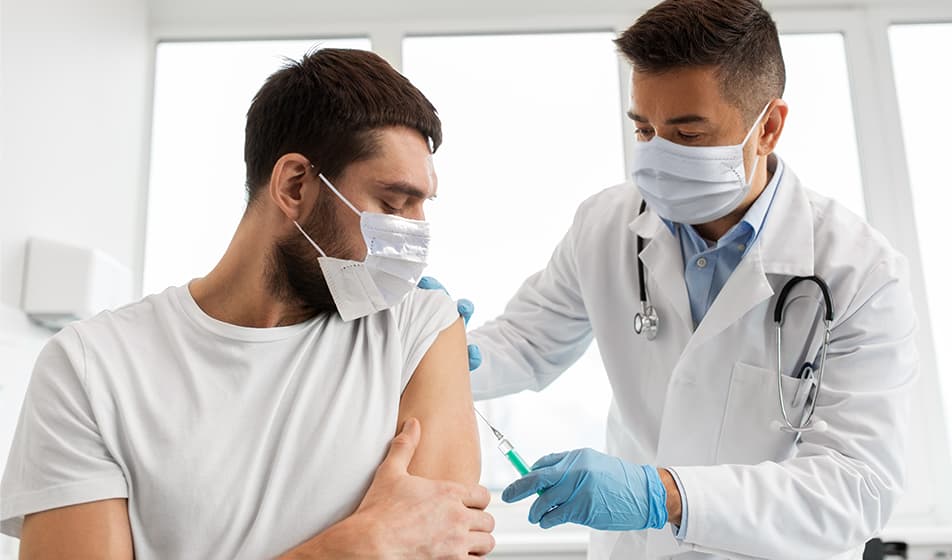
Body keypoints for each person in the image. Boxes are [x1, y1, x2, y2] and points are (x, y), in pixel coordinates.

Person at [426, 0, 918, 558]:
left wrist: (662, 495)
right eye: (643, 129)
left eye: (687, 135)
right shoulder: (606, 225)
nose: (656, 157)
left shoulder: (859, 273)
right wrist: (432, 348)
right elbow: (526, 343)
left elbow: (854, 489)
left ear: (769, 127)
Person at [0, 48, 495, 559]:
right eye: (392, 204)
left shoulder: (419, 331)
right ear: (295, 185)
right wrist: (353, 547)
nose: (414, 233)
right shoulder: (92, 367)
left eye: (422, 206)